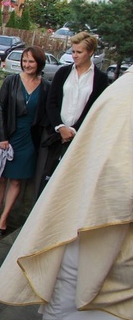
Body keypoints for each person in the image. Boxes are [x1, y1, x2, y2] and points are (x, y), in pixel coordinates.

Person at [0, 71, 133, 320]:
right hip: (98, 211)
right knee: (77, 268)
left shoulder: (112, 83)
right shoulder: (125, 95)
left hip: (102, 209)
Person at [36, 32, 108, 197]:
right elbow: (51, 103)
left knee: (69, 184)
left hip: (80, 138)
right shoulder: (63, 73)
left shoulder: (100, 79)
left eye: (79, 52)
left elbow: (94, 108)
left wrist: (74, 130)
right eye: (73, 51)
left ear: (90, 52)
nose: (74, 55)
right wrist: (60, 127)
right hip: (55, 135)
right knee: (46, 180)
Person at [0, 47, 50, 235]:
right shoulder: (11, 81)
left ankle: (4, 217)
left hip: (28, 139)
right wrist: (4, 136)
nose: (27, 65)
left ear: (39, 63)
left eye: (31, 61)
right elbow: (1, 108)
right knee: (0, 178)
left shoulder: (46, 86)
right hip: (7, 135)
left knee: (16, 181)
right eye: (24, 61)